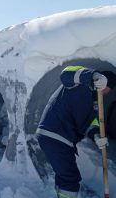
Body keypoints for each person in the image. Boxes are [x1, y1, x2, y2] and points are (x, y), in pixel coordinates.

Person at [36, 66, 116, 198]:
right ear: (103, 82)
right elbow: (66, 73)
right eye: (108, 88)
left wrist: (97, 136)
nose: (107, 92)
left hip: (63, 139)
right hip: (55, 133)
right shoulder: (79, 85)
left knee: (65, 177)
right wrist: (93, 75)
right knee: (70, 179)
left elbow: (91, 124)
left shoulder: (95, 102)